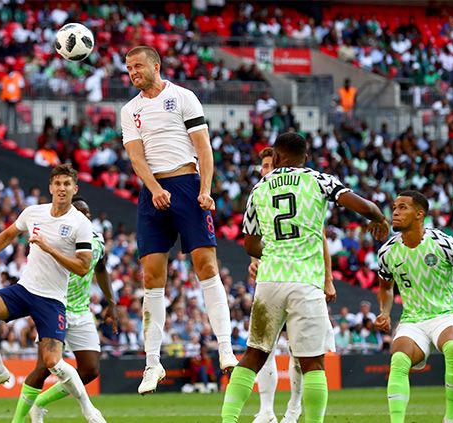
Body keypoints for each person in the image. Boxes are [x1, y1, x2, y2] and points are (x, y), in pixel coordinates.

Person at [221, 133, 389, 423]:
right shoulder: (318, 179)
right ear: (305, 157)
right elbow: (364, 206)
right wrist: (379, 218)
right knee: (312, 363)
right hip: (305, 281)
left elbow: (249, 245)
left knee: (253, 355)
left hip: (270, 280)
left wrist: (273, 249)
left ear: (276, 156)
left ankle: (228, 420)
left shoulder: (259, 188)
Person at [121, 45, 237, 395]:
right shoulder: (130, 110)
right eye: (128, 68)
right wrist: (154, 188)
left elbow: (203, 148)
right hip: (152, 191)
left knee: (206, 265)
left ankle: (226, 349)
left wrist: (205, 189)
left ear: (156, 65)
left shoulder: (183, 97)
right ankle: (152, 363)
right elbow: (136, 158)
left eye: (138, 65)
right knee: (151, 275)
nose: (133, 72)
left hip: (187, 184)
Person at [0, 164, 106, 423]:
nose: (62, 188)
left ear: (74, 188)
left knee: (53, 362)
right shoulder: (34, 212)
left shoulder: (80, 224)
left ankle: (88, 409)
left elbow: (83, 267)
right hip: (25, 289)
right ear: (50, 187)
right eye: (58, 184)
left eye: (67, 184)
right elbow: (9, 234)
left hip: (52, 300)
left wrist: (50, 249)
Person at [375, 191, 453, 423]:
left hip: (444, 315)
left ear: (420, 214)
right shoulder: (387, 252)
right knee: (398, 361)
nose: (395, 212)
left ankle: (451, 417)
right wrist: (384, 312)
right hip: (412, 320)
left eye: (403, 207)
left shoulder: (443, 243)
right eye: (394, 207)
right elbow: (386, 287)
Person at [249, 146, 337, 423]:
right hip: (274, 276)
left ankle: (294, 409)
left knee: (300, 351)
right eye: (263, 167)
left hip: (304, 277)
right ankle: (266, 410)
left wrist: (328, 279)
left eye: (269, 165)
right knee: (266, 347)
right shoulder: (263, 193)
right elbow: (256, 239)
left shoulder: (301, 193)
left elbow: (320, 238)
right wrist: (255, 261)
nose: (267, 171)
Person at [28, 196, 118, 422]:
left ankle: (39, 403)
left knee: (90, 370)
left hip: (82, 311)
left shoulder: (96, 240)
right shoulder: (57, 240)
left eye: (87, 214)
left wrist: (111, 303)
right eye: (80, 213)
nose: (85, 217)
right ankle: (22, 417)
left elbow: (102, 268)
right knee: (42, 369)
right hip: (55, 307)